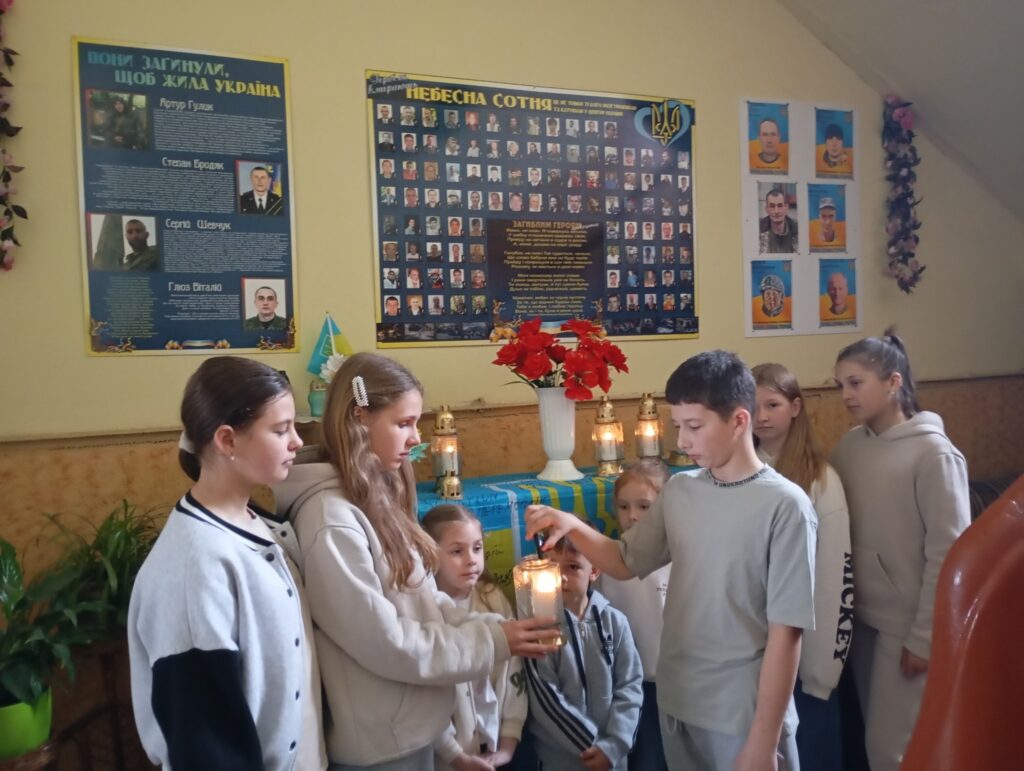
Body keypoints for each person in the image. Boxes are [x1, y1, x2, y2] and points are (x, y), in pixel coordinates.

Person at [525, 350, 817, 771]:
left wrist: (764, 741)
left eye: (694, 426)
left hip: (742, 713)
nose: (681, 441)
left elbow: (786, 634)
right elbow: (626, 560)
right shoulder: (681, 492)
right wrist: (571, 525)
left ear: (739, 421)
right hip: (680, 702)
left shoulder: (785, 506)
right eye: (678, 426)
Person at [273, 354, 556, 769]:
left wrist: (497, 628)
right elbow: (386, 643)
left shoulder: (374, 497)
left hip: (414, 732)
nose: (415, 438)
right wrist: (493, 642)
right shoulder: (331, 522)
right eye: (403, 423)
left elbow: (424, 602)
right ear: (360, 417)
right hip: (382, 749)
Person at [128, 357, 326, 771]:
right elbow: (205, 743)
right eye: (280, 430)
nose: (296, 442)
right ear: (227, 440)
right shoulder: (194, 567)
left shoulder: (254, 521)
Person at [831, 331, 971, 771]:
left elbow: (950, 555)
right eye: (840, 385)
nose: (845, 395)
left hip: (906, 629)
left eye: (856, 383)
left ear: (893, 382)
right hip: (860, 621)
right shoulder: (850, 446)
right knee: (871, 743)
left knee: (892, 750)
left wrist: (925, 639)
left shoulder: (934, 454)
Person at [752, 363, 854, 771]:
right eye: (753, 406)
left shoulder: (821, 479)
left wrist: (822, 671)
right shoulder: (739, 472)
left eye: (772, 405)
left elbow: (834, 578)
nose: (761, 416)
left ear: (795, 407)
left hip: (807, 655)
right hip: (756, 651)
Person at [525, 533, 643, 771]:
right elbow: (545, 698)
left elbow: (630, 686)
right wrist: (591, 745)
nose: (561, 577)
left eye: (572, 567)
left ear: (594, 571)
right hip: (560, 762)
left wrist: (614, 746)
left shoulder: (615, 622)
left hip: (612, 761)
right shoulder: (538, 629)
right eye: (552, 567)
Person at [422, 504, 527, 770]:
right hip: (447, 759)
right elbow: (425, 694)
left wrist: (508, 744)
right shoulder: (426, 610)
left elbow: (514, 673)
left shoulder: (492, 598)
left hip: (497, 747)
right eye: (457, 551)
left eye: (477, 548)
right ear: (430, 554)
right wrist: (454, 755)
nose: (471, 560)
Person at [598, 460, 672, 771]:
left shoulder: (679, 558)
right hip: (631, 691)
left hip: (675, 686)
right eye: (624, 506)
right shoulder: (608, 562)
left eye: (644, 506)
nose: (633, 516)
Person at [759, 188, 797, 253]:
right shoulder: (757, 231)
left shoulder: (798, 231)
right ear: (766, 209)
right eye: (772, 206)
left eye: (780, 206)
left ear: (786, 208)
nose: (776, 211)